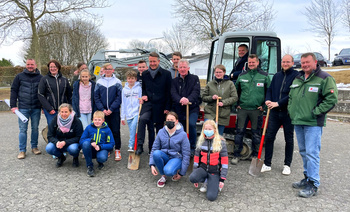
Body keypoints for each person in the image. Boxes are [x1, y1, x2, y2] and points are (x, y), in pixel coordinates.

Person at [288, 52, 338, 198]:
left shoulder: (324, 78)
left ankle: (314, 184)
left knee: (312, 153)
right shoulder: (298, 78)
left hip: (313, 123)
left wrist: (316, 112)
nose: (304, 65)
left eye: (307, 62)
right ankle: (307, 177)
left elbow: (331, 99)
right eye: (303, 63)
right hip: (298, 121)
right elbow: (291, 97)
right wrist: (292, 111)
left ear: (315, 62)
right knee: (303, 152)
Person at [261, 54, 299, 175]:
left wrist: (278, 103)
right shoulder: (277, 75)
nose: (285, 64)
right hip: (274, 113)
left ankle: (287, 165)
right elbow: (270, 89)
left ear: (292, 63)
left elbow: (293, 94)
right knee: (270, 137)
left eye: (288, 62)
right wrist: (267, 100)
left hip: (288, 113)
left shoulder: (297, 76)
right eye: (283, 62)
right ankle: (267, 164)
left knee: (289, 139)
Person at [232, 54, 271, 165]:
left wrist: (263, 106)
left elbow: (269, 92)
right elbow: (236, 91)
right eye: (249, 62)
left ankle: (255, 155)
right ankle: (236, 155)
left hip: (256, 110)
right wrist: (236, 104)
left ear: (257, 62)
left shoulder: (264, 76)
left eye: (253, 62)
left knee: (256, 134)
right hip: (243, 109)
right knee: (239, 133)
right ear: (247, 63)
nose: (251, 64)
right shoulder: (242, 75)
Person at [135, 52, 172, 155]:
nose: (152, 63)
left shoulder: (166, 74)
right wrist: (144, 95)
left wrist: (167, 107)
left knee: (159, 128)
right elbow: (144, 89)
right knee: (143, 120)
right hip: (148, 105)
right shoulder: (145, 74)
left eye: (154, 61)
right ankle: (140, 145)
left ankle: (155, 149)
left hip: (161, 105)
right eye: (150, 61)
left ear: (158, 61)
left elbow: (169, 92)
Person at [10, 59, 43, 159]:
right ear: (26, 65)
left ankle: (34, 147)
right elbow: (14, 90)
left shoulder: (41, 77)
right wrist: (13, 106)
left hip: (36, 108)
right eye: (28, 64)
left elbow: (43, 93)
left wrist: (43, 106)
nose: (30, 66)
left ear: (35, 65)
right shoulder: (19, 77)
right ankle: (22, 150)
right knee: (23, 130)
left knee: (35, 128)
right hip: (23, 108)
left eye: (32, 64)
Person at [189, 120, 228, 201]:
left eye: (210, 129)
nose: (207, 131)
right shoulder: (200, 141)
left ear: (215, 130)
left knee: (211, 197)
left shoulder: (221, 143)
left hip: (214, 171)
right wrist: (195, 173)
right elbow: (196, 159)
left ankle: (212, 182)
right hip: (203, 168)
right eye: (205, 129)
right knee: (192, 177)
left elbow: (224, 162)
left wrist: (222, 179)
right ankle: (206, 181)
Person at [149, 112, 190, 188]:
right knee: (156, 153)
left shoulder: (183, 135)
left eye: (172, 120)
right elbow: (154, 148)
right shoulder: (161, 132)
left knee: (169, 171)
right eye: (168, 119)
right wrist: (152, 165)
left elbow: (186, 154)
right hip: (165, 155)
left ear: (176, 121)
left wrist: (181, 173)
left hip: (176, 157)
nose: (169, 121)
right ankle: (163, 176)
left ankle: (173, 170)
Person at [171, 59, 201, 155]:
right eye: (180, 67)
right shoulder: (174, 81)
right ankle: (181, 147)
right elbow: (173, 93)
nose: (182, 69)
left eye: (184, 67)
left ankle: (192, 147)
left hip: (192, 108)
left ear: (188, 68)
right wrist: (180, 100)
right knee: (180, 127)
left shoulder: (194, 78)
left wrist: (188, 100)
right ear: (178, 68)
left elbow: (196, 91)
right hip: (179, 109)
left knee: (191, 124)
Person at [94, 63, 123, 160]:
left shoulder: (117, 82)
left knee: (115, 130)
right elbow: (96, 97)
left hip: (114, 111)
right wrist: (102, 109)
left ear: (113, 70)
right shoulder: (99, 82)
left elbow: (119, 98)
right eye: (106, 69)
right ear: (104, 70)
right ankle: (108, 149)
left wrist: (111, 109)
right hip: (103, 112)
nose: (108, 71)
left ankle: (117, 149)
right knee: (105, 130)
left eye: (110, 69)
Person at [201, 64, 238, 135]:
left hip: (223, 114)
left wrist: (223, 102)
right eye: (216, 72)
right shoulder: (210, 84)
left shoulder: (230, 84)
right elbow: (203, 97)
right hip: (210, 113)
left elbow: (234, 97)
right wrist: (212, 97)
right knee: (208, 134)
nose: (218, 74)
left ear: (224, 72)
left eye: (220, 72)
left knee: (219, 136)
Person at [46, 103, 83, 168]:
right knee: (49, 148)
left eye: (66, 112)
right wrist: (56, 142)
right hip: (59, 142)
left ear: (70, 112)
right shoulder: (55, 120)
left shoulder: (76, 121)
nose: (64, 114)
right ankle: (61, 157)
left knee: (73, 149)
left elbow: (79, 137)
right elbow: (50, 135)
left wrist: (65, 142)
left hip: (72, 143)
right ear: (59, 112)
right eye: (62, 112)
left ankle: (75, 157)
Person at [79, 111, 115, 177]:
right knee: (85, 144)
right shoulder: (89, 128)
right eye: (95, 120)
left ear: (103, 120)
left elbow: (111, 144)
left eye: (99, 120)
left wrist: (100, 146)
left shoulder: (107, 130)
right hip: (91, 148)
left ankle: (100, 161)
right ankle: (89, 166)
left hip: (101, 148)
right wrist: (91, 140)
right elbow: (81, 140)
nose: (97, 122)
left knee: (102, 157)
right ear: (93, 120)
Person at [38, 59, 72, 125]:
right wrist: (49, 108)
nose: (53, 68)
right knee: (52, 127)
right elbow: (40, 94)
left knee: (64, 128)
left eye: (54, 67)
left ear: (58, 68)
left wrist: (69, 108)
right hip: (51, 110)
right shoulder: (44, 79)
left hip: (63, 110)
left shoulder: (64, 80)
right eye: (51, 67)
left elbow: (69, 95)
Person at [136, 60, 155, 153]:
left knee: (151, 127)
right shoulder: (135, 77)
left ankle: (151, 147)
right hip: (142, 105)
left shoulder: (149, 76)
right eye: (140, 67)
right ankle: (140, 145)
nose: (141, 69)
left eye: (143, 67)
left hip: (151, 104)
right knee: (142, 120)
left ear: (146, 67)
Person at [121, 70, 142, 152]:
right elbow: (123, 103)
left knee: (134, 127)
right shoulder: (124, 90)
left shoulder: (139, 88)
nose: (130, 80)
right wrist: (122, 117)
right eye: (129, 78)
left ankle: (130, 145)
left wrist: (140, 102)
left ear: (135, 79)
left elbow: (140, 99)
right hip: (128, 114)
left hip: (136, 112)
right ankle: (135, 144)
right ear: (127, 79)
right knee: (132, 131)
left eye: (132, 78)